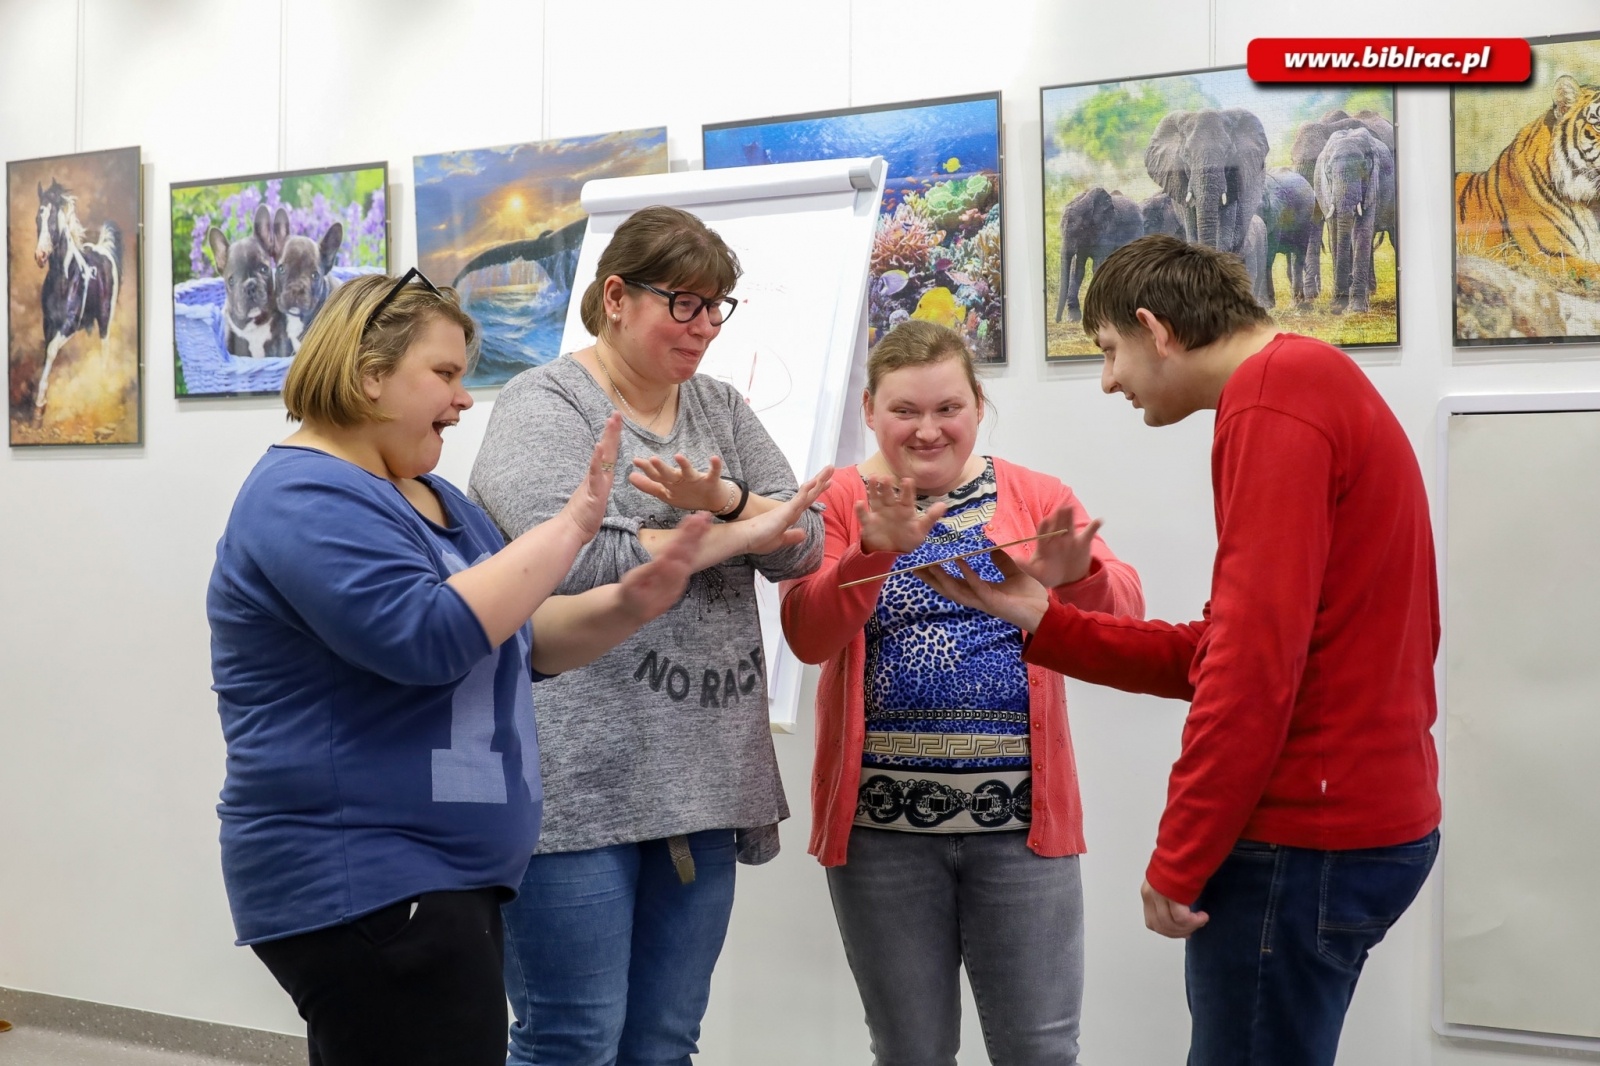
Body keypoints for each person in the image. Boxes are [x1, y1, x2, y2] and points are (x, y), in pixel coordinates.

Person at [921, 235, 1440, 1066]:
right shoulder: (1304, 382)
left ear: (1155, 329)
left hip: (1305, 836)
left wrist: (1180, 855)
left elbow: (1250, 671)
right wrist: (1042, 619)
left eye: (1108, 351)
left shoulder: (1272, 404)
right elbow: (1227, 646)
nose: (1109, 381)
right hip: (1358, 823)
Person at [208, 271, 711, 1066]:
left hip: (439, 882)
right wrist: (577, 524)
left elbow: (520, 636)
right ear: (370, 376)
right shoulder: (302, 494)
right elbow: (428, 637)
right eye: (444, 375)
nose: (464, 399)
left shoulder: (431, 495)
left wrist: (629, 605)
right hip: (367, 881)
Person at [467, 205, 829, 1066]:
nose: (704, 327)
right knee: (572, 1037)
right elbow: (567, 557)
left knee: (665, 1040)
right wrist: (734, 533)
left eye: (717, 308)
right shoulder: (545, 402)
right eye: (685, 304)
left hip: (703, 773)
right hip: (575, 781)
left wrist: (728, 507)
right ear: (618, 296)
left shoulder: (720, 407)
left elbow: (804, 543)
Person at [778, 320, 1144, 1066]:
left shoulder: (1035, 494)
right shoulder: (841, 500)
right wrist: (875, 551)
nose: (927, 429)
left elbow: (1126, 622)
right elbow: (807, 636)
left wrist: (1080, 575)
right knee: (910, 1052)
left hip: (1021, 836)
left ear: (979, 405)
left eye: (948, 407)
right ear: (869, 413)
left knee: (1039, 1051)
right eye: (905, 410)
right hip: (881, 840)